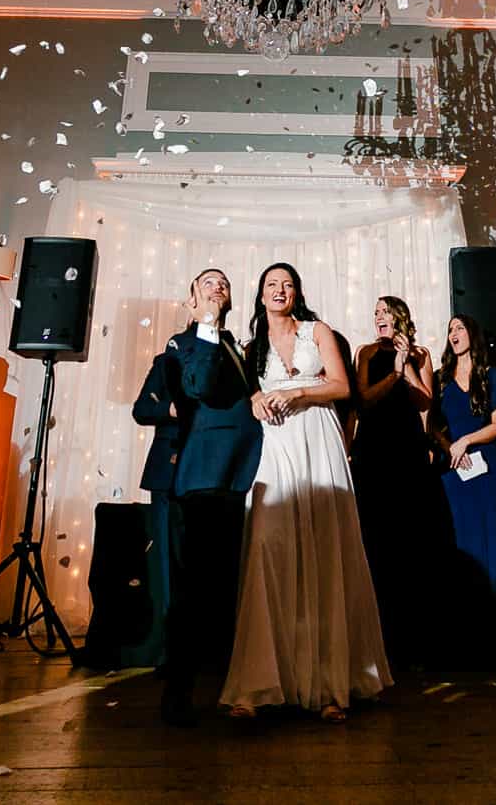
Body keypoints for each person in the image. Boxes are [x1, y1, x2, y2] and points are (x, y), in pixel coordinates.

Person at [220, 263, 388, 721]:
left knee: (324, 550)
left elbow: (340, 385)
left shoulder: (318, 331)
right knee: (269, 551)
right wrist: (255, 398)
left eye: (287, 284)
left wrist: (298, 396)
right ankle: (256, 685)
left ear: (297, 293)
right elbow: (245, 397)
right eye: (272, 285)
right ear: (260, 295)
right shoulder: (251, 348)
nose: (280, 290)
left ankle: (332, 685)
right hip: (275, 448)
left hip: (317, 439)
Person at [155, 268, 261, 727]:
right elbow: (197, 386)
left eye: (224, 283)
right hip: (205, 479)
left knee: (226, 589)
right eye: (208, 283)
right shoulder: (185, 344)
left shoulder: (237, 343)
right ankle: (177, 695)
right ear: (192, 298)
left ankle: (226, 683)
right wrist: (208, 328)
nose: (219, 287)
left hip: (244, 476)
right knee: (195, 590)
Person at [348, 295, 448, 667]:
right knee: (376, 538)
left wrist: (406, 366)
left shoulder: (420, 353)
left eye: (385, 312)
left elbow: (425, 402)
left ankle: (414, 640)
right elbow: (364, 401)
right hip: (373, 450)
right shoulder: (366, 353)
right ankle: (378, 637)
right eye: (375, 313)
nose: (379, 318)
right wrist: (393, 371)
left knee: (410, 540)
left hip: (406, 450)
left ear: (400, 318)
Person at [429, 313, 496, 659]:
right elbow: (434, 427)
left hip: (487, 466)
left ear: (473, 333)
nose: (454, 333)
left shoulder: (494, 376)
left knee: (495, 541)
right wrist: (449, 448)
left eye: (459, 328)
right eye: (450, 329)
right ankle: (466, 640)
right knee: (463, 544)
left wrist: (467, 441)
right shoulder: (441, 380)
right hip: (455, 471)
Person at [129, 339, 184, 670]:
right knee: (165, 560)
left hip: (211, 471)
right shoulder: (166, 361)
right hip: (168, 470)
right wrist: (171, 409)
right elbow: (142, 409)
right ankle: (168, 646)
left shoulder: (226, 358)